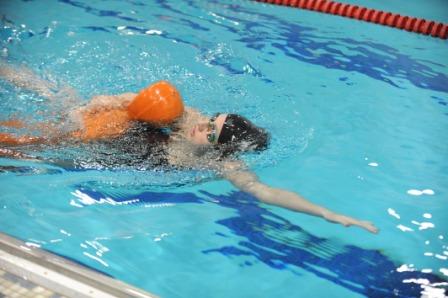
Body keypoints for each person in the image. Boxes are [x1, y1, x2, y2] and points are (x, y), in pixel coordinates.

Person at [0, 64, 378, 234]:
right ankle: (28, 82)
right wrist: (97, 102)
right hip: (116, 132)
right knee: (44, 133)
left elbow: (265, 191)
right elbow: (136, 100)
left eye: (210, 132)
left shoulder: (224, 164)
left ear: (219, 150)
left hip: (118, 152)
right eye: (213, 119)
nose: (203, 124)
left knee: (31, 149)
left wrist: (328, 213)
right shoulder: (187, 118)